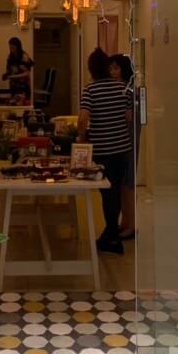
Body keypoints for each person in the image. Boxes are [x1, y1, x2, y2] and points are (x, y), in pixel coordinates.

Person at [78, 47, 132, 256]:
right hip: (122, 148)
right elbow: (128, 117)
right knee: (115, 190)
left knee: (107, 193)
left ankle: (112, 238)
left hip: (103, 149)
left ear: (92, 69)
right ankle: (110, 234)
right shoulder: (122, 87)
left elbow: (83, 119)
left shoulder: (90, 90)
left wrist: (82, 140)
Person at [109, 53, 137, 240]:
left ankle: (131, 225)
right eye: (111, 68)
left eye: (116, 68)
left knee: (127, 186)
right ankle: (125, 222)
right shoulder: (122, 90)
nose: (112, 72)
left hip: (128, 143)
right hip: (122, 143)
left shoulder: (128, 91)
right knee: (122, 186)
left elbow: (129, 118)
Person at [2, 37, 33, 102]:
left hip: (24, 88)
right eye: (10, 48)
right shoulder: (10, 57)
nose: (11, 50)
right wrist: (6, 75)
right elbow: (9, 70)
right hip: (14, 88)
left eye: (13, 48)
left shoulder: (24, 57)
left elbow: (27, 74)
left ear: (18, 47)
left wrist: (13, 76)